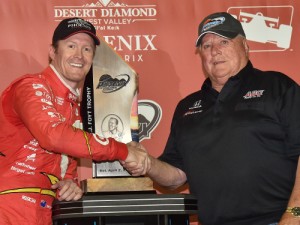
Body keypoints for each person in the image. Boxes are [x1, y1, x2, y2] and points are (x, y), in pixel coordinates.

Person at [122, 12, 300, 225]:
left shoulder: (278, 86)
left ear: (245, 46)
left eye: (224, 41)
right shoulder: (187, 107)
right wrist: (147, 163)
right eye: (206, 46)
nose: (215, 51)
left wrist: (295, 214)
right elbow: (177, 176)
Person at [0, 17, 147, 225]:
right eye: (71, 46)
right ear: (53, 52)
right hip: (9, 206)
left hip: (40, 209)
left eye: (87, 49)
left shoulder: (72, 106)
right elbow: (53, 135)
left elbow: (64, 158)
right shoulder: (30, 87)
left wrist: (68, 182)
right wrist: (123, 150)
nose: (79, 55)